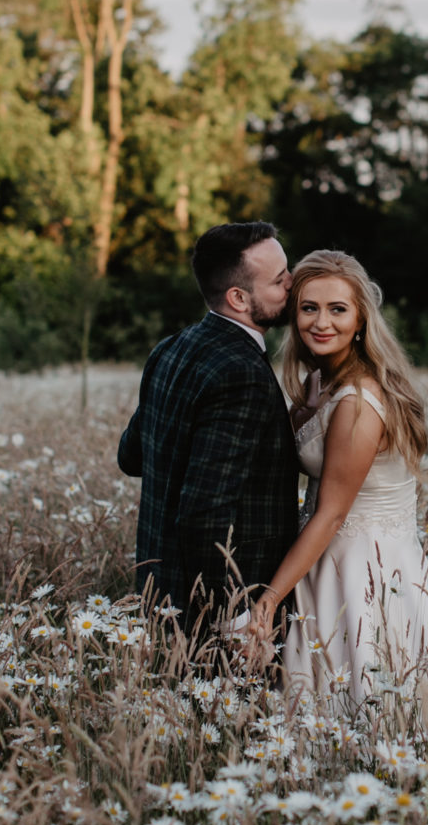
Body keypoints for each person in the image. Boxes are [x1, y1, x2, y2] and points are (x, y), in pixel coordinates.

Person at [248, 249, 428, 732]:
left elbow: (329, 513)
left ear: (362, 320)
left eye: (337, 309)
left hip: (364, 570)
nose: (321, 322)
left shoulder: (359, 401)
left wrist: (267, 601)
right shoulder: (323, 382)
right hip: (325, 559)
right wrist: (302, 417)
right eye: (309, 308)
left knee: (382, 699)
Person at [118, 222, 300, 635]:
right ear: (238, 298)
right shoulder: (242, 373)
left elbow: (130, 457)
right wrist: (235, 618)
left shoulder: (170, 348)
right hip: (221, 611)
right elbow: (203, 512)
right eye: (279, 279)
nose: (293, 283)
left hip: (158, 594)